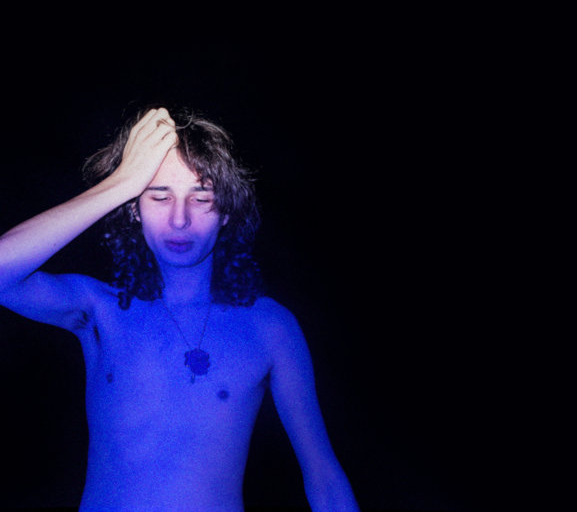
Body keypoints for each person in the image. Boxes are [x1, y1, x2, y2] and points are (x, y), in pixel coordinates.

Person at [0, 107, 360, 512]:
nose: (180, 219)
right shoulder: (100, 311)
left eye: (201, 197)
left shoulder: (269, 327)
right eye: (159, 196)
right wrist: (122, 182)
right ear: (134, 208)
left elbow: (325, 481)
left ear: (226, 210)